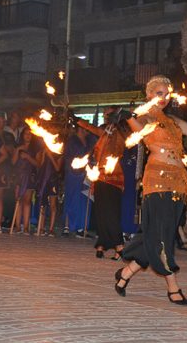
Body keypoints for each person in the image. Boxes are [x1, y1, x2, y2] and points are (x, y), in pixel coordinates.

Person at [114, 75, 187, 306]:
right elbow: (139, 130)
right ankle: (173, 287)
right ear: (149, 95)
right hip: (157, 183)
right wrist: (128, 117)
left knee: (158, 235)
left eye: (167, 94)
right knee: (162, 238)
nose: (164, 98)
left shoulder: (175, 122)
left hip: (179, 184)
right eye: (159, 93)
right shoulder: (144, 118)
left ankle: (125, 274)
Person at [76, 107, 129, 260]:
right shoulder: (105, 132)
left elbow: (117, 149)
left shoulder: (119, 134)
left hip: (113, 178)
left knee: (111, 213)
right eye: (105, 115)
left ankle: (119, 246)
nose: (106, 117)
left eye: (109, 114)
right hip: (100, 177)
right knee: (101, 213)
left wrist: (113, 129)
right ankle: (102, 244)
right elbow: (93, 129)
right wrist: (77, 120)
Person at [11, 128, 38, 234]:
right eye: (26, 134)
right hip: (19, 176)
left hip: (29, 176)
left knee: (27, 201)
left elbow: (37, 164)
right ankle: (18, 226)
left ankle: (26, 227)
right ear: (22, 135)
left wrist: (27, 157)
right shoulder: (18, 147)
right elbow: (13, 162)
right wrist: (18, 150)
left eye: (30, 134)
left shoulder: (34, 149)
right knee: (18, 200)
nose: (28, 136)